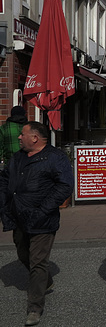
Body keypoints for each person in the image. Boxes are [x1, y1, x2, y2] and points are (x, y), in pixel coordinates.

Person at [0, 121, 73, 326]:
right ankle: (45, 280)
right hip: (18, 217)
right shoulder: (18, 157)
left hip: (42, 219)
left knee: (38, 261)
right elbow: (5, 179)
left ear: (35, 138)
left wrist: (43, 209)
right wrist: (4, 203)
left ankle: (34, 308)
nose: (18, 137)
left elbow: (65, 185)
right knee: (23, 254)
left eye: (22, 134)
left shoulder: (55, 157)